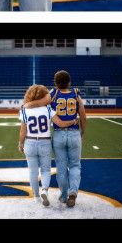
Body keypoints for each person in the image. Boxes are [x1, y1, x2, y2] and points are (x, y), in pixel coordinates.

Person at [24, 71, 87, 207]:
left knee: (61, 167)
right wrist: (82, 131)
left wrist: (27, 105)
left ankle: (63, 196)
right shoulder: (76, 93)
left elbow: (38, 103)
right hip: (74, 133)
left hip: (58, 134)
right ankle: (73, 193)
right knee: (75, 165)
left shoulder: (53, 94)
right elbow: (82, 114)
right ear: (69, 82)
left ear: (55, 83)